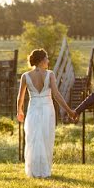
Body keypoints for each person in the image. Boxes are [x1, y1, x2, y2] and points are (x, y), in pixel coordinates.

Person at [17, 48, 76, 178]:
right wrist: (69, 111)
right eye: (47, 58)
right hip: (47, 109)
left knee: (33, 138)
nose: (48, 61)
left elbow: (20, 97)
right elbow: (57, 95)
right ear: (42, 60)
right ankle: (44, 169)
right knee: (45, 138)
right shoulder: (50, 74)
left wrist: (19, 110)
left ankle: (34, 170)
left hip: (33, 109)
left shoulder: (25, 76)